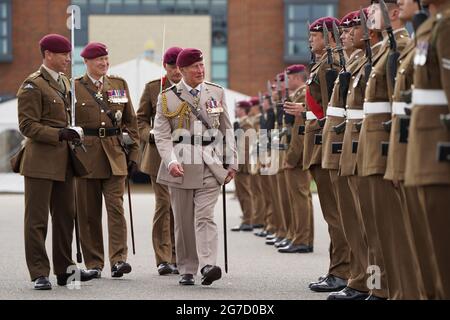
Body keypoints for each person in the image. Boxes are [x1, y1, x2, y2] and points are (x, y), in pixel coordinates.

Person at [17, 34, 96, 290]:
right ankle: (39, 272)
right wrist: (59, 134)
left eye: (68, 54)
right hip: (40, 161)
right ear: (49, 54)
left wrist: (73, 132)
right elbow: (27, 125)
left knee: (65, 217)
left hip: (64, 160)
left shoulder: (64, 82)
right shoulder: (32, 85)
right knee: (37, 220)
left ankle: (65, 270)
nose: (68, 59)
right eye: (63, 54)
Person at [154, 48, 238, 286]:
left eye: (202, 65)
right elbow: (161, 136)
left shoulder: (216, 92)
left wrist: (232, 161)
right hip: (180, 163)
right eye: (195, 67)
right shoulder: (166, 97)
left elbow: (226, 129)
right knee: (183, 221)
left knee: (204, 216)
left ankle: (208, 264)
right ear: (180, 71)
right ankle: (187, 268)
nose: (200, 70)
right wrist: (170, 161)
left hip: (210, 162)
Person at [74, 42, 140, 279]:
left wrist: (133, 154)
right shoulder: (75, 88)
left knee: (116, 209)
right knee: (89, 213)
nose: (103, 63)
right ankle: (94, 263)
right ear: (87, 62)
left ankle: (118, 260)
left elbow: (131, 122)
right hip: (86, 157)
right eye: (98, 60)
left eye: (106, 59)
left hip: (115, 155)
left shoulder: (118, 85)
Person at [405, 0, 450, 299]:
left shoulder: (444, 27)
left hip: (438, 145)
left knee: (442, 252)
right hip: (423, 144)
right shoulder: (430, 26)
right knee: (428, 247)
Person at [137, 47, 183, 275]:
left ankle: (179, 254)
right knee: (164, 205)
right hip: (159, 156)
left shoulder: (192, 89)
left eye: (179, 65)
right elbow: (140, 121)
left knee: (181, 207)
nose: (176, 70)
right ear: (165, 66)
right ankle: (164, 258)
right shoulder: (154, 88)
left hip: (186, 155)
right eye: (172, 66)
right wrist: (151, 135)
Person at [231, 100, 255, 232]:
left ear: (243, 110)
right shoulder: (240, 124)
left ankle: (248, 221)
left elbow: (244, 148)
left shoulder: (247, 125)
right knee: (241, 194)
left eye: (237, 108)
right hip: (239, 164)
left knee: (245, 193)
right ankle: (246, 220)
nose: (235, 110)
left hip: (242, 165)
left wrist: (238, 165)